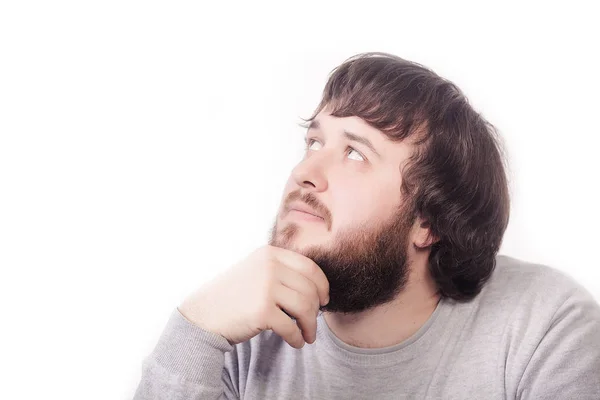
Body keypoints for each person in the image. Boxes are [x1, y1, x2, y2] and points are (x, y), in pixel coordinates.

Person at [133, 53, 600, 399]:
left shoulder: (545, 328)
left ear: (429, 221)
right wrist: (193, 333)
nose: (305, 172)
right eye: (313, 142)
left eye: (355, 152)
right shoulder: (243, 332)